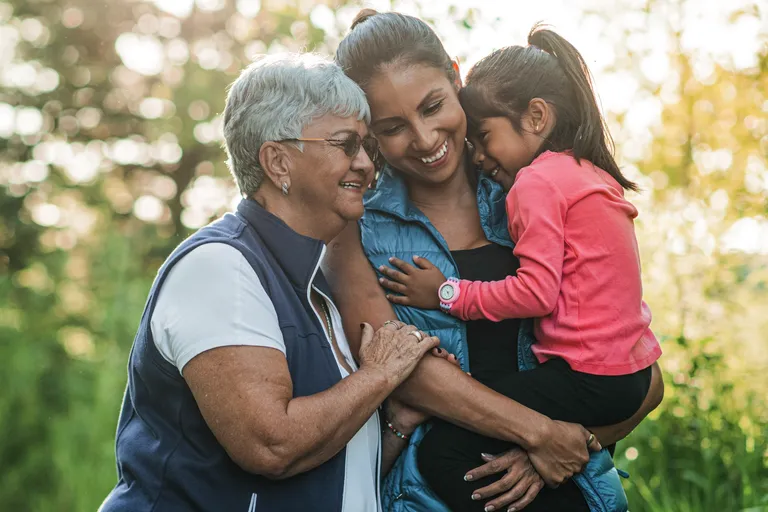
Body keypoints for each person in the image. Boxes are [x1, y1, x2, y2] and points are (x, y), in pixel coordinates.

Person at [327, 10, 665, 512]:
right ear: (369, 130)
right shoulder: (355, 231)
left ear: (457, 78)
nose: (423, 139)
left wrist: (561, 446)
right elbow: (409, 375)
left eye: (433, 106)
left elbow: (642, 373)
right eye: (394, 126)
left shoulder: (537, 193)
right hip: (435, 492)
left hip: (562, 479)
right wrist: (539, 433)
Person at [99, 53, 444, 512]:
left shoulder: (313, 290)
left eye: (367, 147)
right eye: (345, 144)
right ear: (278, 161)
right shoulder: (220, 267)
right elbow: (272, 446)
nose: (365, 164)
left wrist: (394, 425)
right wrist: (380, 376)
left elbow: (323, 477)